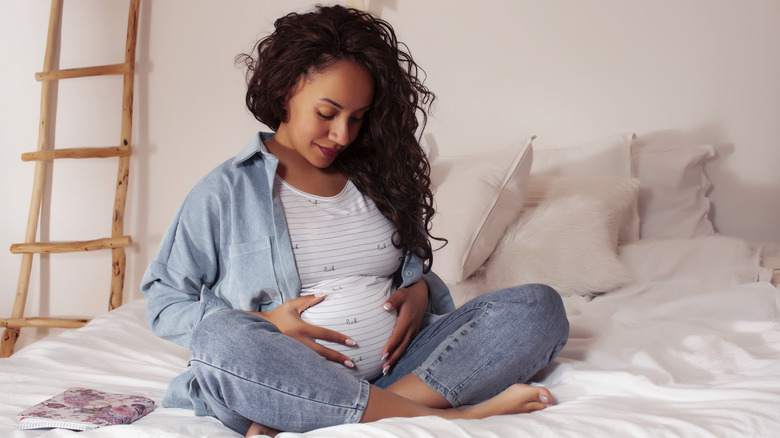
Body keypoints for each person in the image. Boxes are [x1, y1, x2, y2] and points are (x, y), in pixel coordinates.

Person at [141, 5, 569, 436]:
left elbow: (407, 271)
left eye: (357, 118)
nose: (342, 135)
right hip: (279, 377)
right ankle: (448, 417)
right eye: (327, 114)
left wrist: (420, 290)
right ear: (286, 89)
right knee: (221, 342)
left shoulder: (378, 179)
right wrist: (267, 325)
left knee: (538, 308)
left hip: (401, 368)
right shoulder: (225, 191)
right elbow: (164, 303)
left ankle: (341, 410)